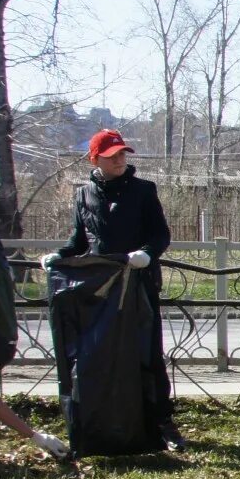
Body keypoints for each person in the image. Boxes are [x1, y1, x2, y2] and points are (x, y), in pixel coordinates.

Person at [41, 130, 182, 449]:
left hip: (138, 284)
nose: (120, 159)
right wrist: (60, 256)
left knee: (147, 353)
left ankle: (161, 421)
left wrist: (147, 253)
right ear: (95, 159)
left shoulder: (144, 191)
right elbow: (79, 241)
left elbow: (160, 234)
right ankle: (104, 421)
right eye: (113, 155)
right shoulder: (84, 194)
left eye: (123, 154)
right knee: (99, 355)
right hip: (99, 290)